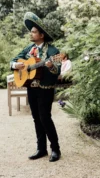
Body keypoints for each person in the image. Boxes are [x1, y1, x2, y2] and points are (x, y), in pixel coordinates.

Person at [10, 12, 61, 162]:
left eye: (33, 32)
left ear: (41, 35)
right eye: (31, 31)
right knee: (36, 118)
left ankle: (55, 149)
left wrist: (51, 66)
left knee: (45, 118)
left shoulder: (53, 51)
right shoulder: (28, 49)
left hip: (45, 89)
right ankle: (41, 149)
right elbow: (13, 61)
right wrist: (17, 65)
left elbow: (56, 71)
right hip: (31, 88)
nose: (30, 34)